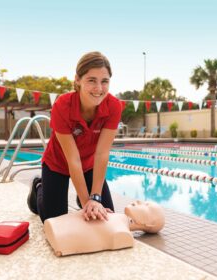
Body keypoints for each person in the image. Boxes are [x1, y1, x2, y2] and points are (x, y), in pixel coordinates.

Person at [27, 51, 122, 223]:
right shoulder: (62, 106)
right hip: (57, 163)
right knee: (54, 221)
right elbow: (73, 159)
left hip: (89, 164)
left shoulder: (114, 106)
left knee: (107, 215)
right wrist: (88, 204)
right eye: (91, 80)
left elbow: (101, 154)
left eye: (104, 81)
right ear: (78, 80)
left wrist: (96, 198)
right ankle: (38, 187)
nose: (99, 88)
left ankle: (82, 197)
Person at [44, 200, 165, 256]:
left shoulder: (123, 234)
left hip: (59, 236)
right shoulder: (115, 217)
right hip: (55, 226)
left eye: (146, 205)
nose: (139, 201)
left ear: (148, 224)